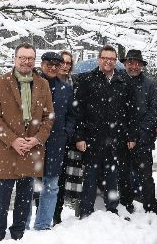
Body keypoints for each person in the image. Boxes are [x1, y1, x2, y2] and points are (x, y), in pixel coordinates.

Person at [0, 44, 54, 240]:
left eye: (30, 58)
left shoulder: (42, 84)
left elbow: (48, 117)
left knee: (25, 198)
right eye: (22, 57)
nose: (26, 62)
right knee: (2, 197)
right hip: (6, 148)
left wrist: (37, 139)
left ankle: (18, 235)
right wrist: (13, 140)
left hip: (31, 149)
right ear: (15, 59)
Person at [74, 45, 137, 217]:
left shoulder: (123, 81)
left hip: (116, 138)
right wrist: (79, 137)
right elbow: (78, 110)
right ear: (99, 59)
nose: (108, 61)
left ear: (116, 61)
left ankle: (112, 210)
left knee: (112, 177)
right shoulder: (86, 80)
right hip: (92, 137)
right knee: (90, 177)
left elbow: (130, 111)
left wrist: (131, 135)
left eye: (112, 59)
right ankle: (86, 211)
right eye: (105, 58)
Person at [25, 52, 76, 230]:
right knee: (29, 185)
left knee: (51, 185)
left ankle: (43, 224)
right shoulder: (30, 85)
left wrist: (66, 133)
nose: (53, 68)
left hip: (56, 142)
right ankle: (23, 225)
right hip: (33, 142)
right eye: (49, 64)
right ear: (42, 64)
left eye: (57, 64)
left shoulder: (65, 89)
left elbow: (71, 114)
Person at [118, 49, 157, 214]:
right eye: (130, 63)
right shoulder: (118, 81)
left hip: (144, 138)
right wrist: (126, 134)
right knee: (124, 175)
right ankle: (126, 204)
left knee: (146, 176)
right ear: (125, 64)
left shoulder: (150, 85)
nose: (134, 66)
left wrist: (138, 133)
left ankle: (150, 207)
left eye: (137, 63)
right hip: (122, 138)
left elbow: (154, 111)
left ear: (142, 65)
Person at [53, 50, 77, 225]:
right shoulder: (47, 83)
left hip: (66, 139)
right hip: (47, 137)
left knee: (63, 179)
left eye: (69, 63)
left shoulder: (74, 84)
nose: (66, 66)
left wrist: (68, 132)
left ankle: (57, 213)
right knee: (46, 179)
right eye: (63, 62)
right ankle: (45, 212)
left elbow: (74, 112)